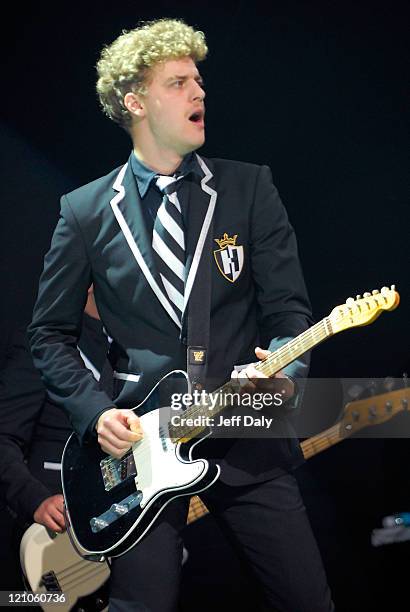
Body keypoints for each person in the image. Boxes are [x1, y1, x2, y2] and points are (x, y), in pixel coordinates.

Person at [28, 18, 334, 612]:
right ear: (136, 102)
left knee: (307, 601)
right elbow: (48, 335)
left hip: (247, 435)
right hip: (141, 454)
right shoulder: (86, 210)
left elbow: (289, 310)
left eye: (198, 80)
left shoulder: (249, 188)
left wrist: (283, 377)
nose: (199, 92)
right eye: (178, 82)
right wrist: (95, 416)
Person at [0, 290, 109, 588]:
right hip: (59, 543)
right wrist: (34, 500)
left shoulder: (147, 346)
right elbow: (4, 438)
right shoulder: (44, 340)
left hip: (129, 535)